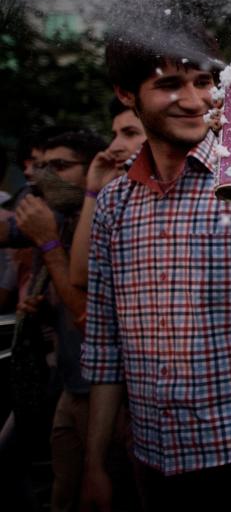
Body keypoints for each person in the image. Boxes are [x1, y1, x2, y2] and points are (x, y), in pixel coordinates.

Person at [80, 23, 231, 512]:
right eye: (169, 85)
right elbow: (105, 346)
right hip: (150, 457)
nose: (193, 100)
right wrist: (94, 464)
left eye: (202, 82)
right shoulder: (113, 204)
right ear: (126, 94)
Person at [12, 129, 107, 512]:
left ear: (93, 171)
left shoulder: (100, 223)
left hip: (101, 393)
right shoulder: (63, 218)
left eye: (61, 167)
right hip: (71, 383)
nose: (46, 178)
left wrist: (49, 246)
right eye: (41, 167)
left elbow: (90, 319)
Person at [69, 98, 146, 291]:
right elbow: (81, 276)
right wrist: (93, 190)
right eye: (115, 135)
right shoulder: (117, 195)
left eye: (130, 133)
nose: (114, 147)